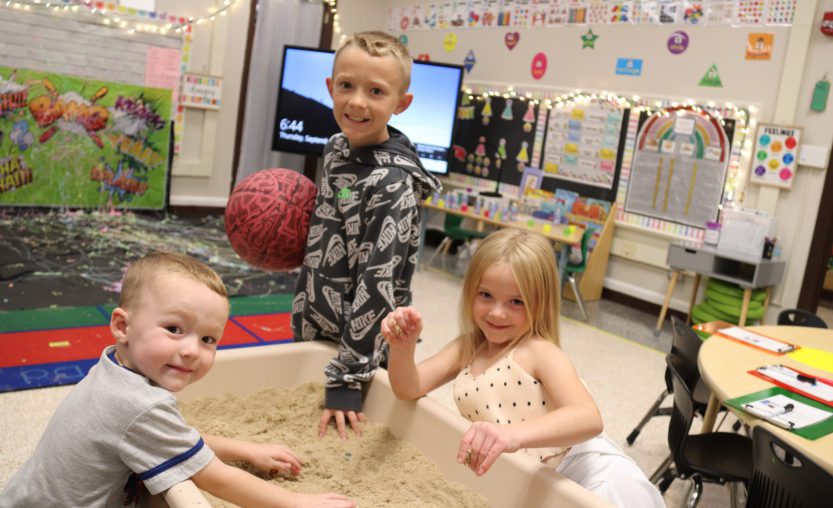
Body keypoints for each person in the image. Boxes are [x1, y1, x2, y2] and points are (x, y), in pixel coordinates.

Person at [0, 251, 353, 508]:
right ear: (123, 326)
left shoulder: (113, 366)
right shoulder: (138, 404)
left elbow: (174, 439)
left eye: (208, 339)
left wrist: (246, 450)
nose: (191, 350)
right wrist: (296, 503)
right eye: (173, 329)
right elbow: (215, 477)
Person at [380, 229, 664, 508]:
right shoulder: (468, 346)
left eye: (516, 302)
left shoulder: (537, 351)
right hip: (537, 482)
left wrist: (511, 434)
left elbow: (588, 418)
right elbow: (408, 388)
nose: (497, 312)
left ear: (540, 304)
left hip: (593, 480)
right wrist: (403, 348)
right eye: (485, 295)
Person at [291, 31, 442, 440]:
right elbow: (336, 216)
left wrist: (348, 378)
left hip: (361, 348)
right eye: (347, 86)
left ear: (401, 104)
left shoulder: (392, 184)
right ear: (330, 88)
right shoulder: (337, 147)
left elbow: (378, 285)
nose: (357, 102)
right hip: (313, 318)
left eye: (376, 91)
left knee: (343, 433)